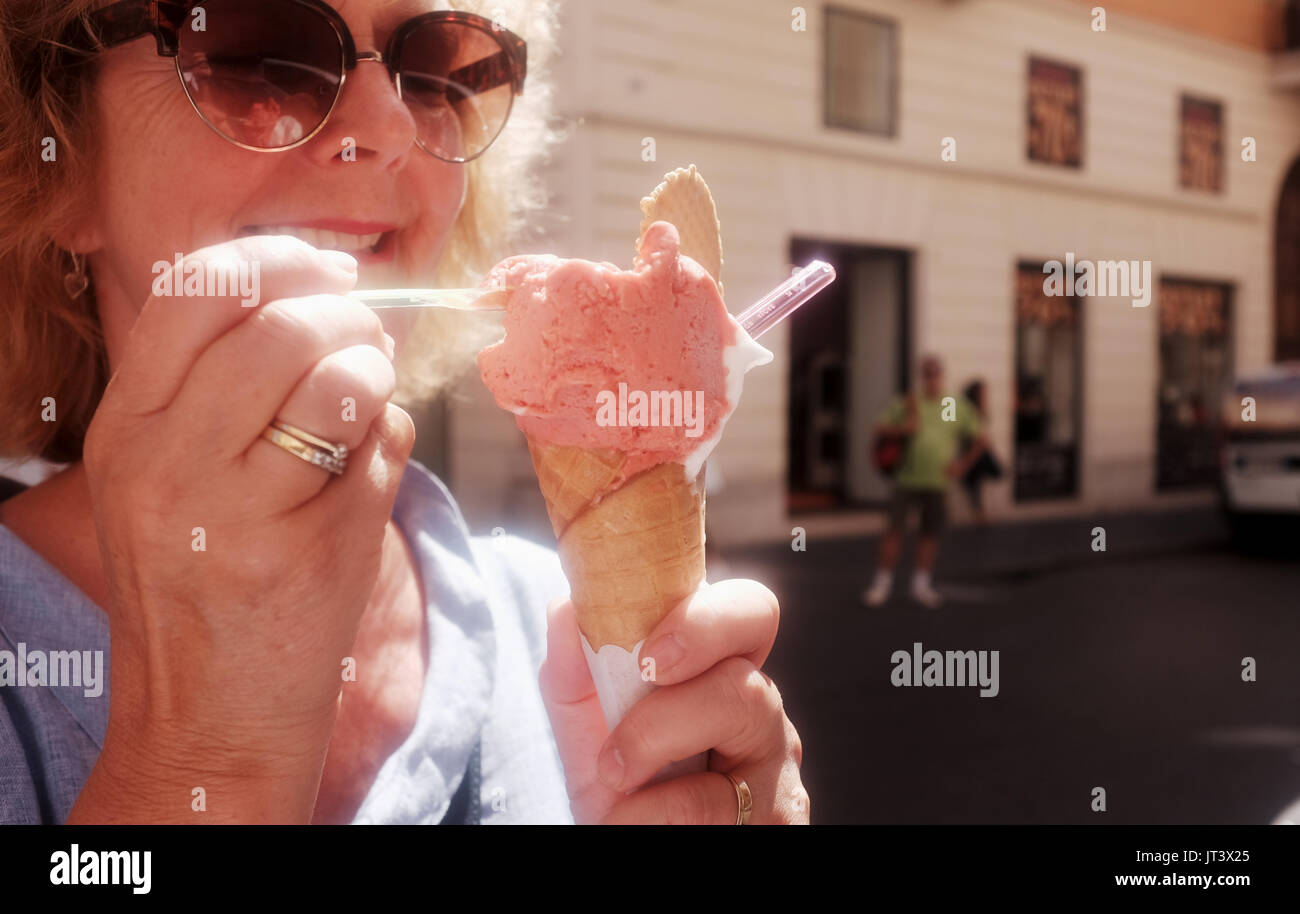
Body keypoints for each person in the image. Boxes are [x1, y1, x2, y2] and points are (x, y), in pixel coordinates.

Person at [0, 0, 806, 825]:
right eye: (262, 49)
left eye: (433, 71)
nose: (388, 123)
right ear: (58, 163)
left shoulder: (554, 624)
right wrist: (202, 759)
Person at [862, 354, 988, 608]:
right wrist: (903, 429)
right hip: (906, 479)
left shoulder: (951, 406)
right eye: (927, 374)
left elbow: (978, 436)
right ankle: (882, 584)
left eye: (935, 373)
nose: (931, 379)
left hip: (937, 481)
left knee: (929, 534)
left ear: (941, 376)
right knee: (894, 530)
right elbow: (879, 428)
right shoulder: (909, 403)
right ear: (922, 376)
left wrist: (962, 465)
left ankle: (921, 585)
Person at [959, 379, 1002, 524]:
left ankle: (981, 512)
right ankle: (979, 513)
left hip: (980, 449)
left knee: (979, 479)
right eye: (983, 393)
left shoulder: (979, 410)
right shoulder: (966, 410)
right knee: (974, 481)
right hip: (972, 448)